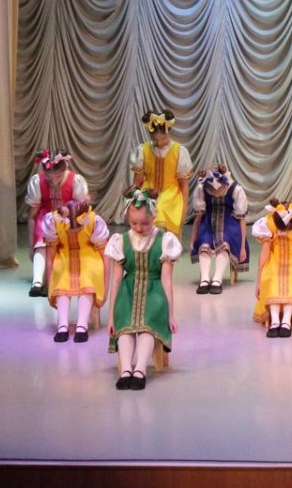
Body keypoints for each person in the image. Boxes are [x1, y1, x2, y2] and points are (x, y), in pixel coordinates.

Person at [106, 189, 181, 390]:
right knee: (126, 325)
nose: (139, 228)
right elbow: (116, 280)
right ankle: (125, 370)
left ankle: (140, 369)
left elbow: (166, 280)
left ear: (154, 217)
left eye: (145, 223)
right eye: (134, 223)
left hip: (154, 292)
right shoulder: (121, 241)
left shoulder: (164, 241)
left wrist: (170, 314)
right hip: (128, 292)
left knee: (147, 324)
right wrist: (111, 315)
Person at [42, 199, 109, 343]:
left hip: (88, 255)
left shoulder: (93, 220)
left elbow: (104, 253)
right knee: (62, 276)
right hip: (64, 255)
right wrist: (49, 277)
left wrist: (105, 283)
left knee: (87, 275)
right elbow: (51, 253)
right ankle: (62, 325)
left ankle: (82, 325)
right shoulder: (54, 220)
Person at [25, 149, 89, 297]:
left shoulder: (75, 181)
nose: (53, 181)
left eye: (58, 176)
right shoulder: (38, 181)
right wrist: (31, 244)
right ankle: (37, 282)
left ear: (64, 169)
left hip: (68, 218)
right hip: (46, 218)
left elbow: (82, 209)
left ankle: (58, 279)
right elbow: (32, 216)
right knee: (41, 244)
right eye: (49, 177)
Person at [252, 200, 292, 337]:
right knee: (273, 277)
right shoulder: (269, 223)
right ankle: (275, 321)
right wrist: (258, 280)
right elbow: (265, 252)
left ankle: (286, 321)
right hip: (274, 261)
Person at [129, 110, 193, 239]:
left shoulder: (179, 151)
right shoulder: (143, 150)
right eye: (154, 139)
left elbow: (184, 185)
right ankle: (147, 244)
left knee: (161, 207)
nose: (158, 143)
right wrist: (132, 199)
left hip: (170, 194)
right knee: (149, 207)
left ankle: (163, 245)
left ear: (169, 133)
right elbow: (138, 181)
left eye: (163, 138)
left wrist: (184, 210)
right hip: (148, 191)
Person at [189, 165, 249, 294]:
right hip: (208, 223)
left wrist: (243, 247)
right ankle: (205, 279)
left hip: (229, 223)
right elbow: (198, 217)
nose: (215, 192)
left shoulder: (235, 189)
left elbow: (242, 219)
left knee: (224, 241)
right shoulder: (202, 188)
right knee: (204, 241)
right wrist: (193, 238)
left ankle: (217, 278)